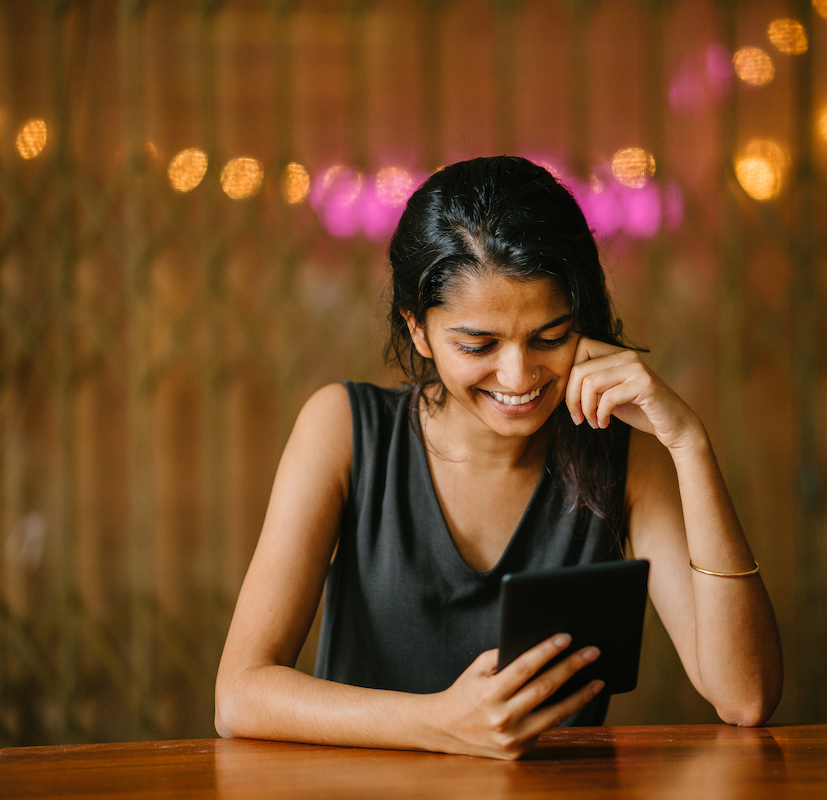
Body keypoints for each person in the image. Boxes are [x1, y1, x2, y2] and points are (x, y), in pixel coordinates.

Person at [215, 156, 782, 760]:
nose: (518, 376)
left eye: (550, 336)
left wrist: (688, 444)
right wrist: (442, 722)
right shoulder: (345, 431)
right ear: (418, 330)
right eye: (478, 344)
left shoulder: (625, 457)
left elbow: (743, 697)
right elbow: (240, 695)